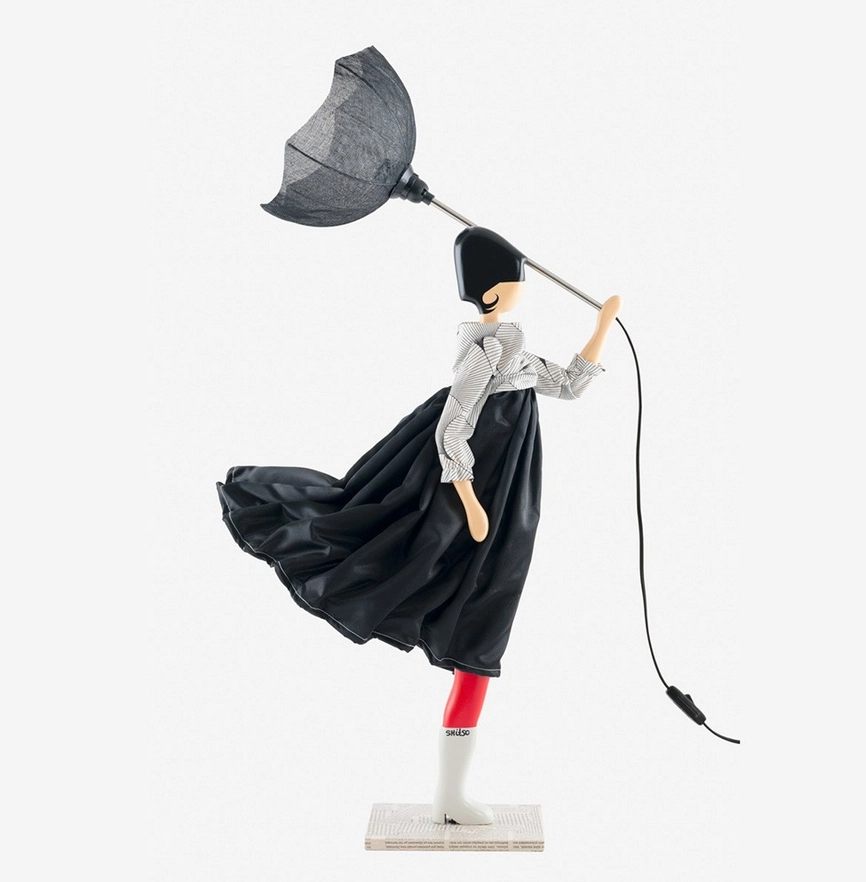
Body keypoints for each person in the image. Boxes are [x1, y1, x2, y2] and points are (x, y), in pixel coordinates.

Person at [215, 226, 621, 825]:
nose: (523, 288)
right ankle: (450, 794)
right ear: (491, 292)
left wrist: (602, 327)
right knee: (474, 630)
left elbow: (567, 385)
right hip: (469, 502)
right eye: (514, 281)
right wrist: (471, 502)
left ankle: (452, 792)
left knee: (482, 633)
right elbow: (452, 429)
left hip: (508, 499)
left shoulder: (513, 350)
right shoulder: (485, 352)